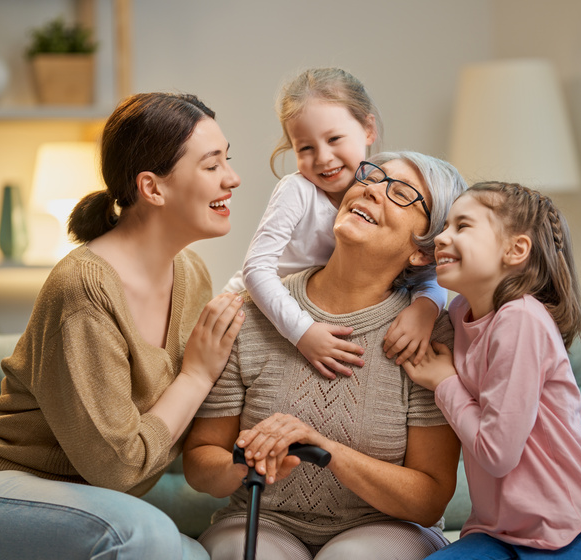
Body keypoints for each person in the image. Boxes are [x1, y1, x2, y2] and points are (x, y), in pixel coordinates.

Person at [0, 92, 244, 560]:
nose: (232, 179)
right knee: (147, 538)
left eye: (228, 161)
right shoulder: (83, 288)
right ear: (153, 188)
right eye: (212, 165)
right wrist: (196, 375)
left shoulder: (193, 274)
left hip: (92, 512)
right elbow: (117, 470)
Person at [184, 152, 467, 560]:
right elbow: (199, 462)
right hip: (265, 519)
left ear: (422, 252)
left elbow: (428, 499)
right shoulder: (252, 313)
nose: (371, 189)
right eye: (371, 176)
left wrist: (322, 449)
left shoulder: (431, 336)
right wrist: (247, 462)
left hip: (388, 527)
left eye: (402, 193)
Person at [403, 182, 581, 559]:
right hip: (497, 533)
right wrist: (423, 309)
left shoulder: (521, 319)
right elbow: (425, 290)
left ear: (516, 250)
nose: (441, 237)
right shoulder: (460, 313)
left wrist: (445, 383)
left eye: (462, 226)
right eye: (444, 226)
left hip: (568, 532)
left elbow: (497, 453)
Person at [222, 68, 448, 380]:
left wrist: (425, 310)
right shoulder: (297, 189)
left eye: (334, 139)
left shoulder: (376, 191)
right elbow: (256, 269)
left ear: (368, 129)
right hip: (247, 307)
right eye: (305, 148)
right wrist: (303, 332)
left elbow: (429, 269)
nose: (323, 158)